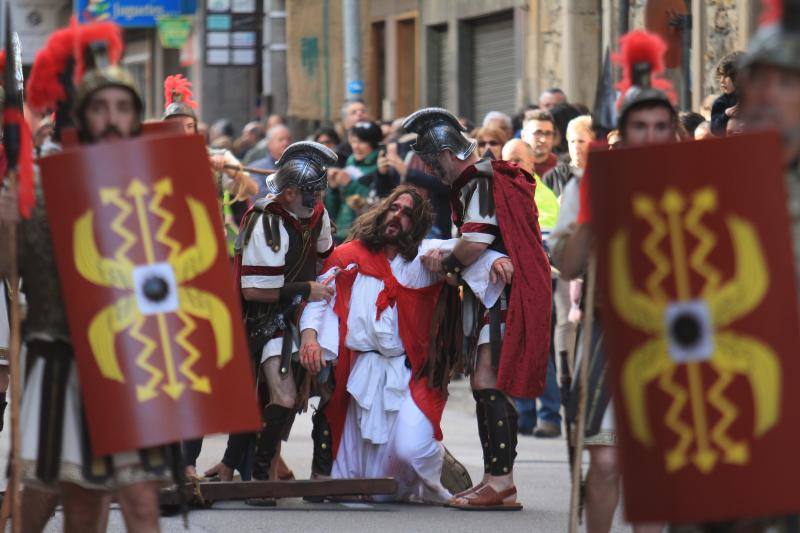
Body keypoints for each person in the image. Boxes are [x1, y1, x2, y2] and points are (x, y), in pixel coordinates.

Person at [15, 20, 172, 532]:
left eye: (122, 107)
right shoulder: (44, 182)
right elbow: (13, 270)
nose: (111, 118)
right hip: (65, 355)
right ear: (82, 114)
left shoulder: (157, 181)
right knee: (74, 506)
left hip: (138, 357)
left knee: (142, 503)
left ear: (135, 116)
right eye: (100, 107)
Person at [298, 186, 499, 503]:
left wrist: (461, 265)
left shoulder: (425, 256)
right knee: (360, 486)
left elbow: (476, 250)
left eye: (407, 214)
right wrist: (309, 335)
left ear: (416, 225)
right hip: (358, 372)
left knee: (411, 449)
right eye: (394, 208)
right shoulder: (349, 255)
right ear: (382, 211)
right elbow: (318, 298)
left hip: (406, 374)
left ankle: (432, 464)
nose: (397, 216)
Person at [549, 30, 673, 533]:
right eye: (639, 125)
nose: (649, 134)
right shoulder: (590, 182)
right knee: (604, 463)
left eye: (659, 126)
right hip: (612, 330)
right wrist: (594, 217)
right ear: (624, 129)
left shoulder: (699, 178)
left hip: (677, 334)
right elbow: (569, 264)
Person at [403, 107, 552, 510]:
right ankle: (494, 478)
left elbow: (475, 243)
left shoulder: (480, 183)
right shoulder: (478, 181)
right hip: (493, 292)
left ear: (449, 154)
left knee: (489, 381)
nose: (435, 172)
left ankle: (501, 482)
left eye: (435, 163)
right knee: (484, 382)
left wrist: (447, 263)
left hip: (501, 296)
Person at [224, 142, 337, 490]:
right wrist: (305, 289)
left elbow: (325, 259)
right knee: (284, 397)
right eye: (309, 192)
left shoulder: (317, 214)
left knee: (337, 387)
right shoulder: (266, 221)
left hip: (310, 310)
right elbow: (253, 291)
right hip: (268, 320)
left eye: (319, 191)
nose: (316, 199)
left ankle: (323, 472)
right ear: (288, 193)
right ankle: (261, 476)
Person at [246, 124, 293, 191]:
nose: (286, 143)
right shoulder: (256, 168)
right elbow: (258, 194)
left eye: (289, 139)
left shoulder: (300, 166)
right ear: (270, 144)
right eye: (281, 139)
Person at [710, 51, 744, 136]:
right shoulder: (721, 102)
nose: (721, 81)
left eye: (726, 76)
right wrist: (726, 115)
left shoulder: (755, 99)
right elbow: (714, 129)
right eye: (720, 76)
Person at [334, 99, 369, 164]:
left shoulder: (378, 144)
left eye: (363, 111)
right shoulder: (339, 152)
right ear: (345, 121)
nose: (359, 114)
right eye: (354, 112)